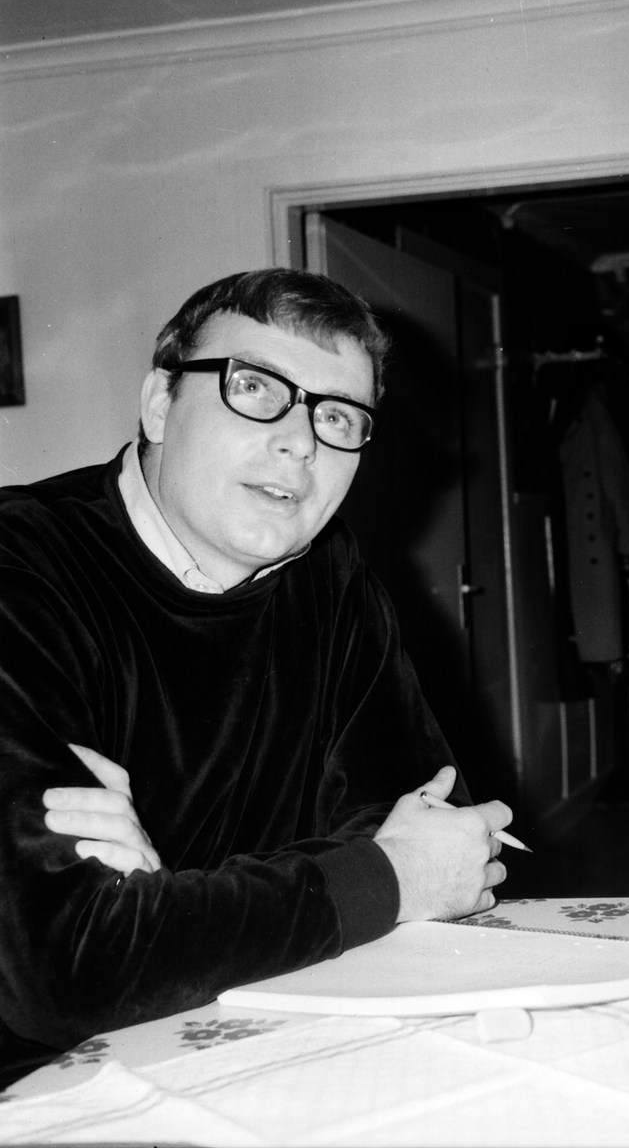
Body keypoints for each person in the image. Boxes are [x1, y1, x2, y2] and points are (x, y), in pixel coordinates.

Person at [0, 269, 514, 1089]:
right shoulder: (20, 572)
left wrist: (167, 899)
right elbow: (69, 971)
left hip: (269, 1036)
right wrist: (387, 876)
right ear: (160, 404)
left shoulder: (329, 576)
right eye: (255, 388)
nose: (302, 442)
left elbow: (440, 841)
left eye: (337, 416)